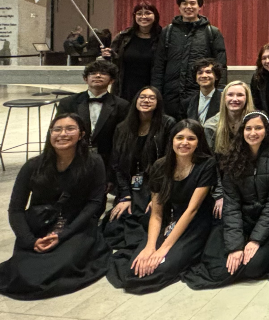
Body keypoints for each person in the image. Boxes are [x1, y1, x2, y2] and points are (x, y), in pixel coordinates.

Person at [0, 114, 110, 300]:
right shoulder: (32, 166)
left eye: (70, 129)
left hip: (76, 225)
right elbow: (16, 209)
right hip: (39, 226)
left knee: (63, 265)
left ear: (81, 134)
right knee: (23, 273)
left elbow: (94, 203)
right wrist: (29, 240)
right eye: (57, 129)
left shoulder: (93, 162)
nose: (62, 134)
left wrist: (62, 234)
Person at [107, 119, 216, 293]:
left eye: (191, 138)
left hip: (194, 223)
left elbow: (191, 210)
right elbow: (157, 213)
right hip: (168, 219)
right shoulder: (160, 166)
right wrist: (150, 247)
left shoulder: (206, 165)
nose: (184, 143)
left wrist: (163, 249)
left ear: (199, 142)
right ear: (172, 140)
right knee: (134, 270)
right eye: (179, 137)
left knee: (158, 270)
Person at [182, 112, 269, 288]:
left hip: (268, 222)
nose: (253, 132)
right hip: (241, 219)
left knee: (253, 266)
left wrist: (255, 241)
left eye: (258, 128)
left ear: (267, 131)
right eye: (248, 128)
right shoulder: (232, 156)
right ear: (242, 131)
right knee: (216, 262)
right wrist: (236, 246)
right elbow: (231, 204)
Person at [105, 86, 176, 249]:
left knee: (148, 218)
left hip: (155, 185)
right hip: (131, 186)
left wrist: (157, 197)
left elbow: (169, 163)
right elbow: (117, 165)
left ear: (158, 102)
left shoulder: (168, 124)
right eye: (142, 97)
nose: (146, 100)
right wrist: (124, 196)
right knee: (116, 223)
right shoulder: (122, 128)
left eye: (152, 98)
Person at [151, 0, 227, 119]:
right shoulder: (168, 32)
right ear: (179, 6)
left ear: (199, 6)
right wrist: (155, 93)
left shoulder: (211, 32)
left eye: (192, 3)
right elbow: (158, 65)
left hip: (199, 95)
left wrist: (220, 93)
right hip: (170, 96)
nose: (188, 7)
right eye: (184, 3)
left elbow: (220, 66)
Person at [56, 59, 129, 179]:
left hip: (106, 162)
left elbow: (122, 141)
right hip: (73, 158)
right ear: (85, 79)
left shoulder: (122, 105)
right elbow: (57, 132)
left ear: (112, 80)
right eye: (93, 73)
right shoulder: (68, 103)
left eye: (103, 73)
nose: (98, 75)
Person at [203, 81, 255, 219]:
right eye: (230, 95)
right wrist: (219, 195)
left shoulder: (256, 126)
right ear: (223, 98)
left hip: (250, 184)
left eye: (240, 95)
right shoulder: (210, 127)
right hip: (222, 186)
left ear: (247, 98)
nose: (235, 99)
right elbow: (210, 165)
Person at [103, 1, 163, 102]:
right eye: (139, 13)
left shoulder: (163, 37)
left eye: (148, 13)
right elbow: (113, 65)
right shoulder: (123, 37)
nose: (143, 17)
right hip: (125, 90)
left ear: (155, 16)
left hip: (153, 90)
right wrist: (108, 57)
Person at [185, 58, 223, 123]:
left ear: (216, 77)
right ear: (196, 78)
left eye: (208, 72)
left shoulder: (224, 100)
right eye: (200, 73)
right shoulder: (188, 102)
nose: (204, 76)